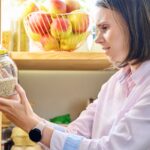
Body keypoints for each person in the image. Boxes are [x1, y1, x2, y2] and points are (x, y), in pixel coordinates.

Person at [0, 0, 150, 149]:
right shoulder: (114, 83)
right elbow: (74, 134)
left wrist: (31, 124)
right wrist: (29, 117)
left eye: (104, 28)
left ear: (135, 25)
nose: (98, 39)